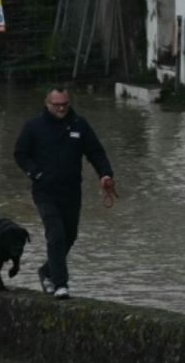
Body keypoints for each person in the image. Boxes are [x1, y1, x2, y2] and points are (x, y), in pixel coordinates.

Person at [12, 88, 116, 299]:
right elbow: (20, 153)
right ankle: (61, 284)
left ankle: (46, 271)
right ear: (47, 103)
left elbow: (95, 152)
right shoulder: (34, 126)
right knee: (56, 234)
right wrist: (36, 173)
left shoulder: (79, 124)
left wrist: (105, 174)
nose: (61, 108)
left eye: (64, 104)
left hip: (71, 191)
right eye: (56, 104)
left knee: (70, 235)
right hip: (45, 191)